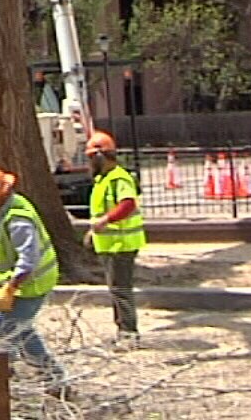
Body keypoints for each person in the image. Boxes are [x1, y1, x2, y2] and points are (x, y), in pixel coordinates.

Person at [0, 167, 65, 387]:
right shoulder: (12, 207)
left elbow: (28, 257)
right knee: (16, 331)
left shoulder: (17, 218)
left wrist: (11, 287)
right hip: (26, 283)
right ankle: (43, 378)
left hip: (30, 284)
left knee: (5, 334)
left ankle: (5, 381)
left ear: (0, 197)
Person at [83, 131, 146, 343]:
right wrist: (94, 230)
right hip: (111, 244)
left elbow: (127, 204)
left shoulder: (119, 178)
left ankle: (129, 333)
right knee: (116, 289)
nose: (89, 163)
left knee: (121, 290)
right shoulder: (104, 179)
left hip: (121, 244)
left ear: (99, 157)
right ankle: (123, 331)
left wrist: (104, 221)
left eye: (91, 157)